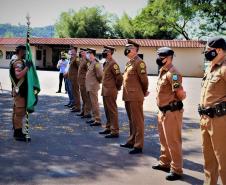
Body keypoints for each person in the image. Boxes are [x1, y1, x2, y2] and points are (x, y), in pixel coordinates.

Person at [152, 47, 186, 181]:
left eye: (162, 56)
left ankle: (177, 170)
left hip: (172, 112)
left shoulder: (174, 73)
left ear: (170, 57)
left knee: (173, 141)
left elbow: (180, 94)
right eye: (158, 56)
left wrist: (182, 96)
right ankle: (164, 163)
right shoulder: (163, 71)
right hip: (162, 111)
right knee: (164, 140)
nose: (159, 58)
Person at [198, 37, 226, 185]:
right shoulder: (211, 67)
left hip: (220, 120)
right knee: (209, 159)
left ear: (219, 50)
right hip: (205, 118)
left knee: (223, 159)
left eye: (209, 50)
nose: (206, 53)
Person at [120, 40, 149, 154]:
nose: (126, 50)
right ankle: (131, 141)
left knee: (138, 121)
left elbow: (144, 80)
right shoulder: (129, 63)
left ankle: (138, 145)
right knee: (132, 120)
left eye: (128, 48)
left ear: (134, 50)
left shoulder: (139, 62)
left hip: (135, 95)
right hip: (128, 95)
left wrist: (144, 91)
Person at [99, 46, 123, 138]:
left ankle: (115, 131)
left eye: (105, 51)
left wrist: (117, 87)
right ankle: (108, 127)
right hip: (105, 90)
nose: (103, 52)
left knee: (112, 111)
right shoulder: (106, 63)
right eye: (103, 50)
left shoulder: (113, 64)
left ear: (110, 53)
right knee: (107, 111)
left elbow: (119, 78)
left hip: (110, 91)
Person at [9, 45, 32, 142]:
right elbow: (18, 75)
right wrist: (27, 68)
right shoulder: (18, 63)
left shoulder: (20, 61)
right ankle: (18, 134)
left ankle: (17, 131)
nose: (26, 53)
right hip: (19, 93)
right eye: (24, 51)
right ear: (20, 52)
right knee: (19, 112)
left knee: (18, 112)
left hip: (21, 92)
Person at [85, 48, 103, 126]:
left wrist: (97, 82)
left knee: (94, 103)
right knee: (92, 103)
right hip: (89, 87)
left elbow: (100, 75)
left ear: (92, 54)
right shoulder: (91, 63)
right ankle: (93, 118)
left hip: (93, 87)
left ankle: (97, 119)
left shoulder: (96, 63)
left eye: (89, 53)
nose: (87, 55)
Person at [77, 48, 92, 118]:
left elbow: (89, 71)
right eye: (81, 52)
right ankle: (83, 111)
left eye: (83, 52)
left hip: (84, 81)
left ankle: (87, 112)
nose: (81, 53)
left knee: (86, 97)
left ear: (86, 53)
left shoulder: (87, 61)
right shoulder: (82, 60)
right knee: (83, 97)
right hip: (81, 82)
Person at [68, 47, 81, 112]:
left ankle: (78, 107)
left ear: (75, 51)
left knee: (76, 92)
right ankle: (75, 105)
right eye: (71, 51)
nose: (71, 52)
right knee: (73, 92)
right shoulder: (72, 58)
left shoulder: (77, 58)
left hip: (75, 78)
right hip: (71, 78)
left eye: (72, 51)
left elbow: (79, 68)